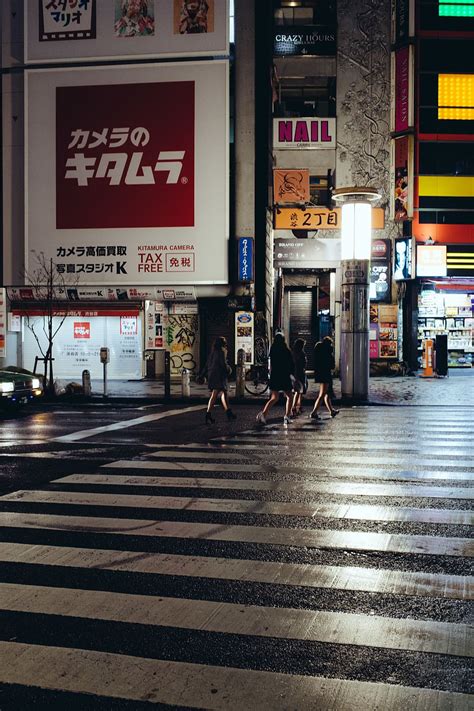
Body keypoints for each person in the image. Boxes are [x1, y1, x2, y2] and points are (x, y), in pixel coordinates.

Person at [256, 332, 294, 426]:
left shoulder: (272, 349)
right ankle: (287, 416)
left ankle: (263, 414)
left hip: (275, 376)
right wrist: (292, 374)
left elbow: (271, 364)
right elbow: (290, 364)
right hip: (284, 376)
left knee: (274, 397)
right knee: (290, 396)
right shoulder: (286, 350)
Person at [204, 336, 236, 424]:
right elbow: (223, 364)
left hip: (213, 375)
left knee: (223, 393)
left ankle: (228, 412)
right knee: (215, 395)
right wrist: (229, 370)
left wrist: (204, 374)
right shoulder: (222, 351)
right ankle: (208, 414)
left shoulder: (213, 351)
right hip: (219, 376)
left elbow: (208, 364)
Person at [310, 336, 339, 419]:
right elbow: (332, 365)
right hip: (326, 374)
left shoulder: (319, 351)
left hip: (320, 374)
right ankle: (314, 412)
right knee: (322, 394)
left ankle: (331, 411)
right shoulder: (328, 353)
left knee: (327, 394)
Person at [291, 338, 307, 417]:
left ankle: (299, 406)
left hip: (295, 374)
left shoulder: (293, 353)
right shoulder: (301, 353)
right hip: (299, 374)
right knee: (298, 392)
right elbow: (303, 364)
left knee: (299, 391)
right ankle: (294, 407)